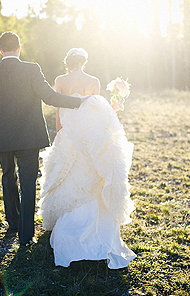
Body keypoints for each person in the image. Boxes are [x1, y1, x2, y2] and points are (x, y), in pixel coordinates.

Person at [0, 32, 87, 247]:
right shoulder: (32, 69)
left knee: (8, 177)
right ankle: (26, 236)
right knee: (27, 183)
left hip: (4, 137)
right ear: (19, 48)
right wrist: (78, 101)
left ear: (0, 50)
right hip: (29, 136)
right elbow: (50, 97)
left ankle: (13, 223)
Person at [37, 48, 136, 269]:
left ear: (68, 62)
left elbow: (59, 108)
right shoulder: (94, 81)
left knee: (69, 178)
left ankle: (68, 233)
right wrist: (115, 107)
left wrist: (60, 133)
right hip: (90, 139)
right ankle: (94, 232)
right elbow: (97, 114)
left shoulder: (60, 79)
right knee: (91, 179)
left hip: (69, 135)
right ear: (84, 61)